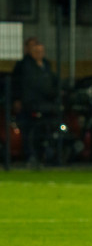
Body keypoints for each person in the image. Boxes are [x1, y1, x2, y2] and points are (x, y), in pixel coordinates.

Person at [12, 37, 59, 166]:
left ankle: (46, 154)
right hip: (31, 103)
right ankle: (31, 156)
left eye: (41, 51)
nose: (39, 54)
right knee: (29, 130)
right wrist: (17, 99)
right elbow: (19, 84)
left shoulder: (46, 65)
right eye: (36, 51)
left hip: (45, 103)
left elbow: (52, 81)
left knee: (46, 129)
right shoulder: (24, 65)